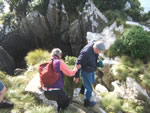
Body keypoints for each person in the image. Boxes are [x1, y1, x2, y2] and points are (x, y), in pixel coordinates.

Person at [74, 40, 105, 107]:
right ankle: (86, 103)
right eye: (100, 51)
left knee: (91, 81)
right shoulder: (86, 53)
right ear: (96, 48)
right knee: (89, 88)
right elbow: (78, 63)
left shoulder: (94, 45)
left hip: (91, 69)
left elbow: (95, 56)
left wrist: (98, 63)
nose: (100, 52)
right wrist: (76, 76)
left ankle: (82, 92)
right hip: (86, 71)